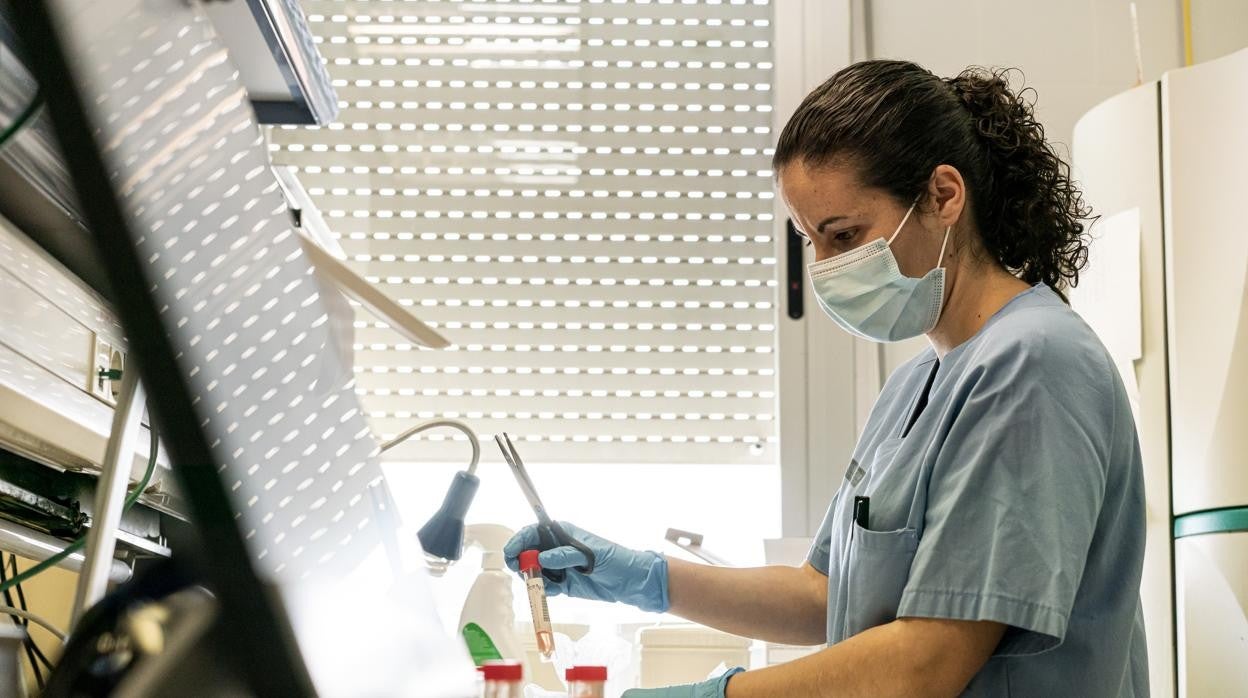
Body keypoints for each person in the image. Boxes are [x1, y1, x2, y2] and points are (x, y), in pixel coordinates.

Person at [504, 60, 1149, 697]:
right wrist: (641, 577)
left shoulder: (1034, 363)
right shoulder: (918, 381)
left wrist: (719, 696)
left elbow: (928, 662)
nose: (826, 266)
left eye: (845, 234)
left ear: (943, 196)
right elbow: (824, 594)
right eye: (810, 238)